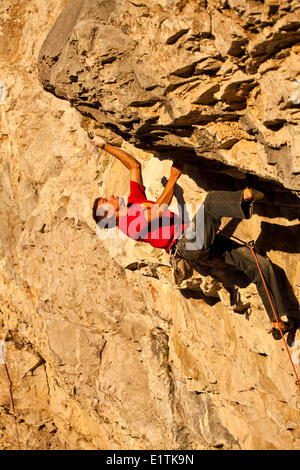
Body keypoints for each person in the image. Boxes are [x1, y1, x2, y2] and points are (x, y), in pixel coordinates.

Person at [89, 132, 296, 340]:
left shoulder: (134, 201)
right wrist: (173, 178)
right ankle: (252, 194)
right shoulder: (130, 225)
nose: (111, 196)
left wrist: (104, 145)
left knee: (259, 265)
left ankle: (276, 319)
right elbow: (159, 210)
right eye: (107, 200)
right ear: (108, 214)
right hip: (187, 244)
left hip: (195, 241)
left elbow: (134, 166)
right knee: (212, 202)